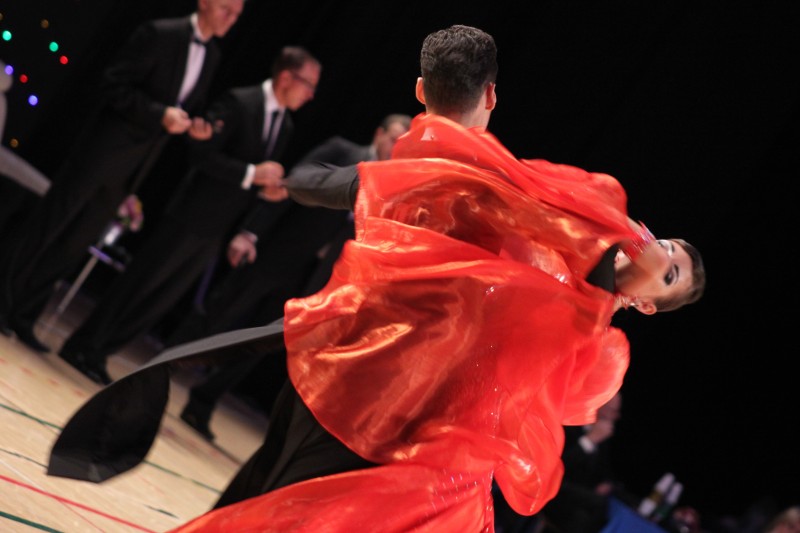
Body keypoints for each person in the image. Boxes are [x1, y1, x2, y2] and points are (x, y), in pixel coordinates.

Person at [47, 24, 706, 532]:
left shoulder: (591, 330)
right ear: (490, 96)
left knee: (269, 502)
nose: (658, 252)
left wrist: (601, 277)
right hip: (376, 402)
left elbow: (533, 389)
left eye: (670, 269)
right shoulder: (526, 206)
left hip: (376, 402)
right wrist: (610, 246)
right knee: (269, 506)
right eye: (667, 245)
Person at [56, 46, 321, 385]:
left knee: (159, 300)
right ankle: (83, 344)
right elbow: (201, 155)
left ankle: (101, 352)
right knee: (139, 285)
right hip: (189, 216)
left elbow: (247, 178)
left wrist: (262, 189)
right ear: (285, 77)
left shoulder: (284, 125)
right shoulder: (240, 102)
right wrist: (250, 174)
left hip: (215, 229)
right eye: (307, 84)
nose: (310, 95)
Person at [0, 0, 244, 353]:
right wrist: (159, 114)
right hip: (101, 153)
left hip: (133, 167)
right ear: (205, 2)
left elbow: (186, 105)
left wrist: (195, 126)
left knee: (75, 244)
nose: (230, 19)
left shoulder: (213, 56)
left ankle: (24, 314)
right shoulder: (160, 33)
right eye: (226, 8)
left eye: (236, 15)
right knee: (48, 226)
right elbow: (114, 84)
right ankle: (3, 301)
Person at [174, 113, 412, 440]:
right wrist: (250, 232)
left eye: (402, 145)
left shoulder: (388, 188)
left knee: (263, 342)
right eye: (393, 139)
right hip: (280, 251)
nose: (395, 148)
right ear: (378, 133)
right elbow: (290, 186)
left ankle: (203, 400)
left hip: (315, 276)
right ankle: (170, 365)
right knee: (224, 312)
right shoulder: (343, 152)